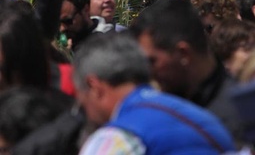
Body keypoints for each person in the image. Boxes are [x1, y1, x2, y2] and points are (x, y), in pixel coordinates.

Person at [74, 32, 235, 155]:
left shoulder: (117, 138)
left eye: (81, 102)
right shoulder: (199, 117)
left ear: (93, 87)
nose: (84, 112)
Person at [132, 0, 242, 141]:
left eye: (152, 61)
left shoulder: (237, 116)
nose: (148, 71)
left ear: (183, 53)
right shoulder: (158, 108)